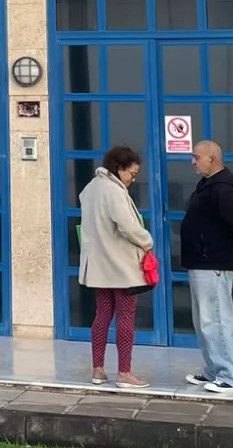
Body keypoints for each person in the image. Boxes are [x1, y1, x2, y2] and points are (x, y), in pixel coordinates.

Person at [78, 145, 154, 389]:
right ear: (118, 169)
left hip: (98, 265)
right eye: (132, 172)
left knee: (102, 315)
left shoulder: (90, 189)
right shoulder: (114, 191)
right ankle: (125, 372)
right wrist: (147, 240)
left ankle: (98, 370)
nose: (133, 178)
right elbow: (127, 226)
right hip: (121, 266)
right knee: (126, 315)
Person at [180, 140, 233, 395]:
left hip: (215, 263)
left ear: (213, 159)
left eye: (197, 157)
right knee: (203, 321)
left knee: (217, 320)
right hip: (201, 262)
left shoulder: (224, 189)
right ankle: (213, 370)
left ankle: (229, 376)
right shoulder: (207, 185)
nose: (193, 162)